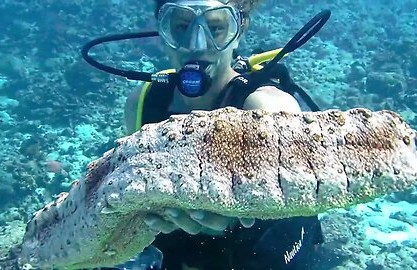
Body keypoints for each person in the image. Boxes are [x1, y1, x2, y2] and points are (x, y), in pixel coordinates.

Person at [82, 0, 331, 269]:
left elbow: (294, 186)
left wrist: (235, 212)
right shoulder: (141, 104)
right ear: (163, 35)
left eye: (215, 27)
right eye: (181, 26)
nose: (197, 45)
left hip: (266, 253)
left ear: (239, 32)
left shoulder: (265, 108)